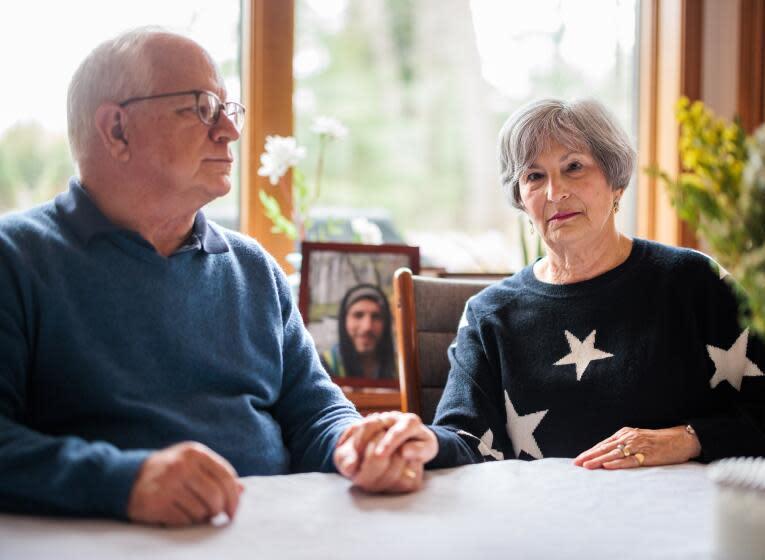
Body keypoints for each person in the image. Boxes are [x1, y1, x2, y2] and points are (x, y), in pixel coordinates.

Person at [0, 28, 437, 526]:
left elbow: (315, 413)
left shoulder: (252, 268)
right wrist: (124, 481)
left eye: (230, 110)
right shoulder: (16, 257)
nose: (229, 130)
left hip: (274, 535)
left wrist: (357, 444)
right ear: (117, 129)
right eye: (203, 107)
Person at [382, 98, 765, 470]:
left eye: (574, 167)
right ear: (521, 199)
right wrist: (414, 441)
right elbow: (464, 439)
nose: (555, 192)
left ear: (616, 181)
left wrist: (688, 439)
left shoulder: (693, 283)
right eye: (534, 177)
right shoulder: (489, 314)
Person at [321, 284, 396, 380]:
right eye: (358, 315)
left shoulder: (403, 369)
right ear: (344, 321)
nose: (367, 327)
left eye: (376, 316)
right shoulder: (322, 366)